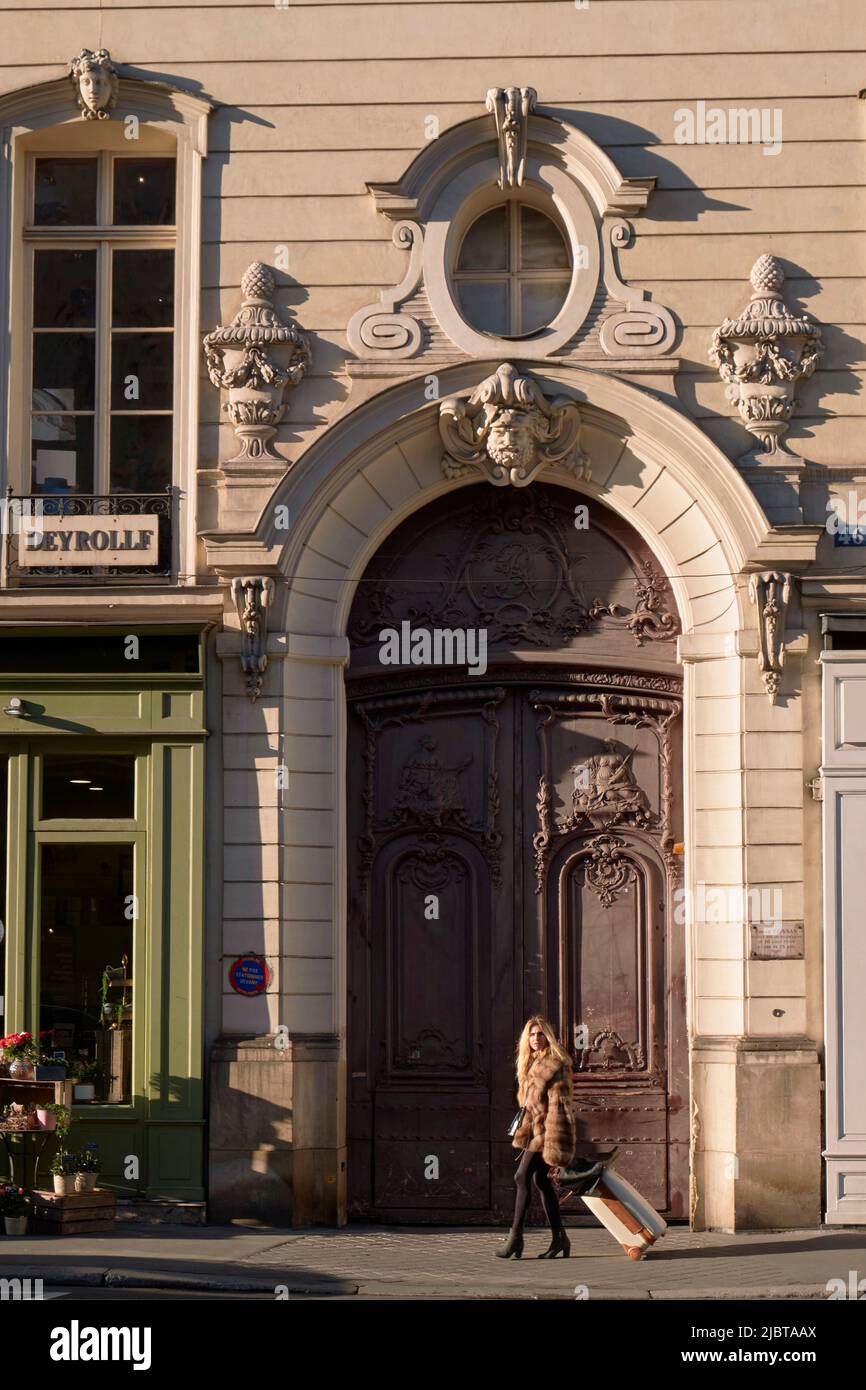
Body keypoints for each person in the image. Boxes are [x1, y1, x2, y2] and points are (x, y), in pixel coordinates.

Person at [495, 1015, 576, 1259]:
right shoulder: (531, 1062)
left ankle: (515, 1239)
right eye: (531, 1034)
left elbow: (560, 1106)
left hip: (546, 1133)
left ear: (548, 1036)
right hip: (534, 1130)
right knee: (541, 1182)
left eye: (540, 1034)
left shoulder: (555, 1063)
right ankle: (560, 1238)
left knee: (521, 1176)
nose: (536, 1039)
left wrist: (553, 1147)